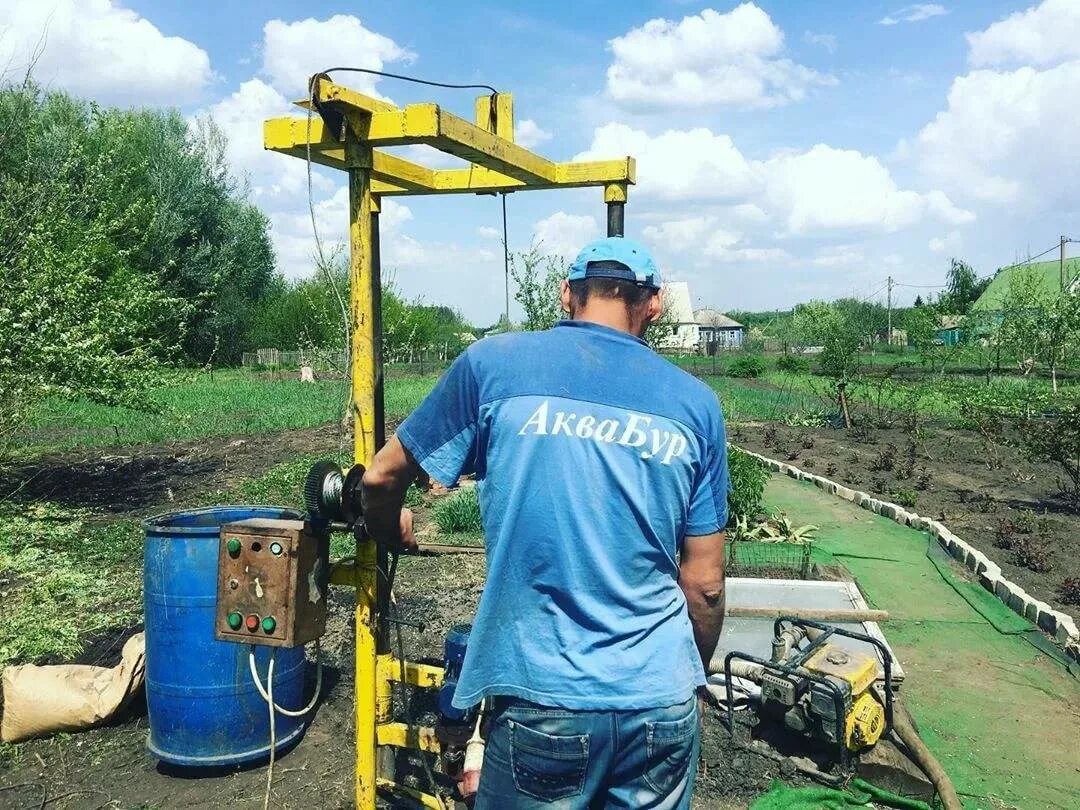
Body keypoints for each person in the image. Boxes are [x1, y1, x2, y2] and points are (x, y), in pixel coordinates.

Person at [362, 237, 728, 809]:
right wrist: (685, 677)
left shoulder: (493, 366)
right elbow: (704, 584)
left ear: (566, 295)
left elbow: (382, 478)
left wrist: (390, 530)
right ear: (653, 305)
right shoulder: (695, 405)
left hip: (545, 701)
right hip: (660, 700)